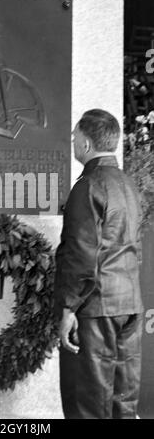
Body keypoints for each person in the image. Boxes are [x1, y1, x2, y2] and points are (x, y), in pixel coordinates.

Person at [54, 109, 144, 419]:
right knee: (122, 404)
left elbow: (80, 254)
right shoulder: (129, 185)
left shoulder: (88, 186)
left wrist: (67, 309)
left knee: (88, 406)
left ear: (87, 143)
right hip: (129, 305)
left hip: (95, 309)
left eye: (75, 136)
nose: (73, 142)